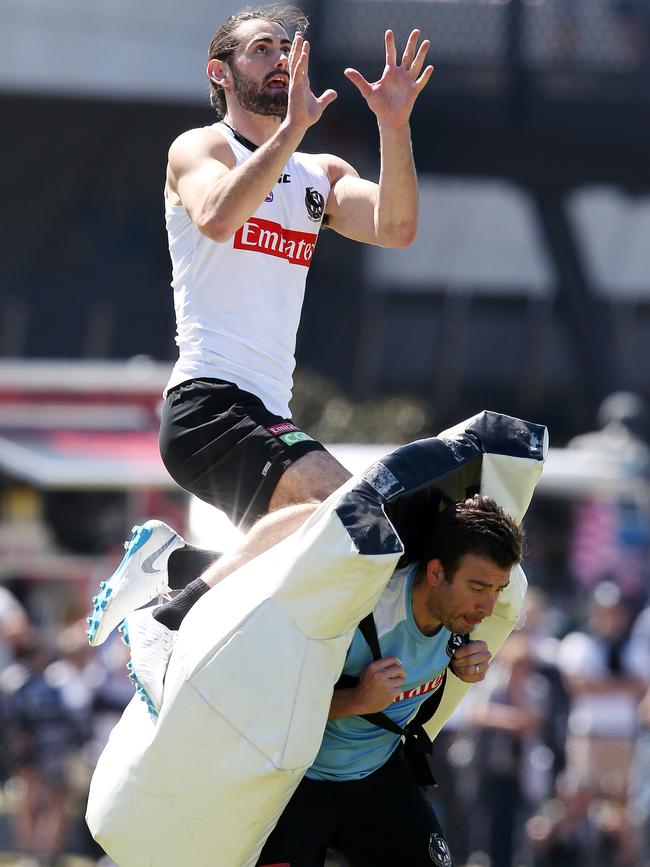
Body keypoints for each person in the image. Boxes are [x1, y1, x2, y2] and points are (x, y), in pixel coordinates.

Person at [85, 3, 433, 716]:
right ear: (221, 72)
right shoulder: (199, 148)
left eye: (287, 47)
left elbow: (396, 228)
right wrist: (290, 134)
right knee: (354, 516)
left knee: (340, 547)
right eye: (261, 49)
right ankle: (166, 615)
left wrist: (393, 127)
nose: (280, 59)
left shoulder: (317, 171)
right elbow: (217, 214)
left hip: (260, 413)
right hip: (208, 404)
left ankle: (175, 576)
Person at [254, 494, 525, 867]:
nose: (487, 608)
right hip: (297, 782)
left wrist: (462, 671)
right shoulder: (362, 611)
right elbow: (269, 706)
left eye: (498, 590)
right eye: (478, 589)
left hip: (378, 777)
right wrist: (355, 701)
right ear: (435, 574)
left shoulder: (459, 622)